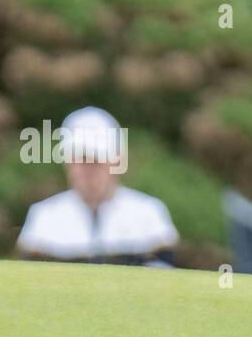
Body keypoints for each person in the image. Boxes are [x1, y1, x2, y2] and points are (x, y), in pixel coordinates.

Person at [16, 106, 179, 267]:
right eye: (78, 159)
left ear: (117, 161)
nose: (86, 169)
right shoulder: (43, 217)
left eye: (95, 159)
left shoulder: (149, 214)